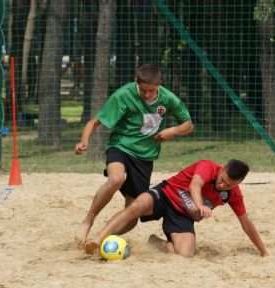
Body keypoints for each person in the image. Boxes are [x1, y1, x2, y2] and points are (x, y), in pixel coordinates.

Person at [74, 64, 194, 244]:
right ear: (136, 83)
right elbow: (94, 122)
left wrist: (172, 131)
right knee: (116, 179)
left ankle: (102, 240)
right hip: (121, 147)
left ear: (159, 83)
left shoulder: (168, 98)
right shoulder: (123, 95)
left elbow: (188, 125)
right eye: (143, 90)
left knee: (132, 220)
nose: (147, 95)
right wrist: (84, 141)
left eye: (151, 91)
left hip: (145, 157)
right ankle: (88, 219)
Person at [84, 159, 270, 258]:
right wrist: (200, 207)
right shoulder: (208, 166)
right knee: (137, 206)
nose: (222, 185)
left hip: (183, 215)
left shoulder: (234, 194)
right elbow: (195, 185)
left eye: (228, 185)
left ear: (239, 182)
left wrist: (264, 251)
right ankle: (98, 239)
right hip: (165, 195)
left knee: (186, 254)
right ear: (223, 168)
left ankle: (155, 242)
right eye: (222, 180)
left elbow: (246, 223)